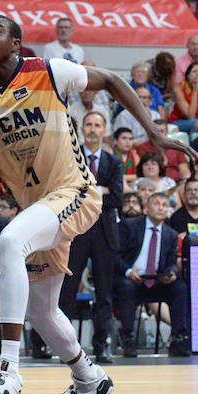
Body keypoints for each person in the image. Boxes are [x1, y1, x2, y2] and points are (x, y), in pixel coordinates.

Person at [0, 13, 181, 394]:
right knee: (42, 311)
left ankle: (8, 372)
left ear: (16, 44)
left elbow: (112, 81)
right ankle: (88, 378)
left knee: (10, 239)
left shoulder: (48, 71)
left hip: (75, 191)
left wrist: (152, 131)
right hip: (39, 207)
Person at [57, 111, 122, 364]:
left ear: (105, 130)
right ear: (82, 129)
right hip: (77, 230)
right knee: (67, 291)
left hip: (105, 233)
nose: (93, 129)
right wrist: (99, 190)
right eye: (89, 125)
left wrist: (87, 190)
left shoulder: (113, 162)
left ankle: (101, 346)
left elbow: (117, 198)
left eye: (98, 125)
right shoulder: (71, 156)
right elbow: (66, 190)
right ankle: (65, 347)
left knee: (104, 293)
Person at [114, 192, 188, 357]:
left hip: (156, 281)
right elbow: (115, 256)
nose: (161, 207)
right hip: (130, 278)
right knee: (127, 286)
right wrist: (128, 271)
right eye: (156, 203)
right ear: (146, 208)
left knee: (180, 288)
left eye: (164, 205)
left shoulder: (170, 234)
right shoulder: (128, 225)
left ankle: (179, 338)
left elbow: (170, 263)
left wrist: (171, 273)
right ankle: (128, 337)